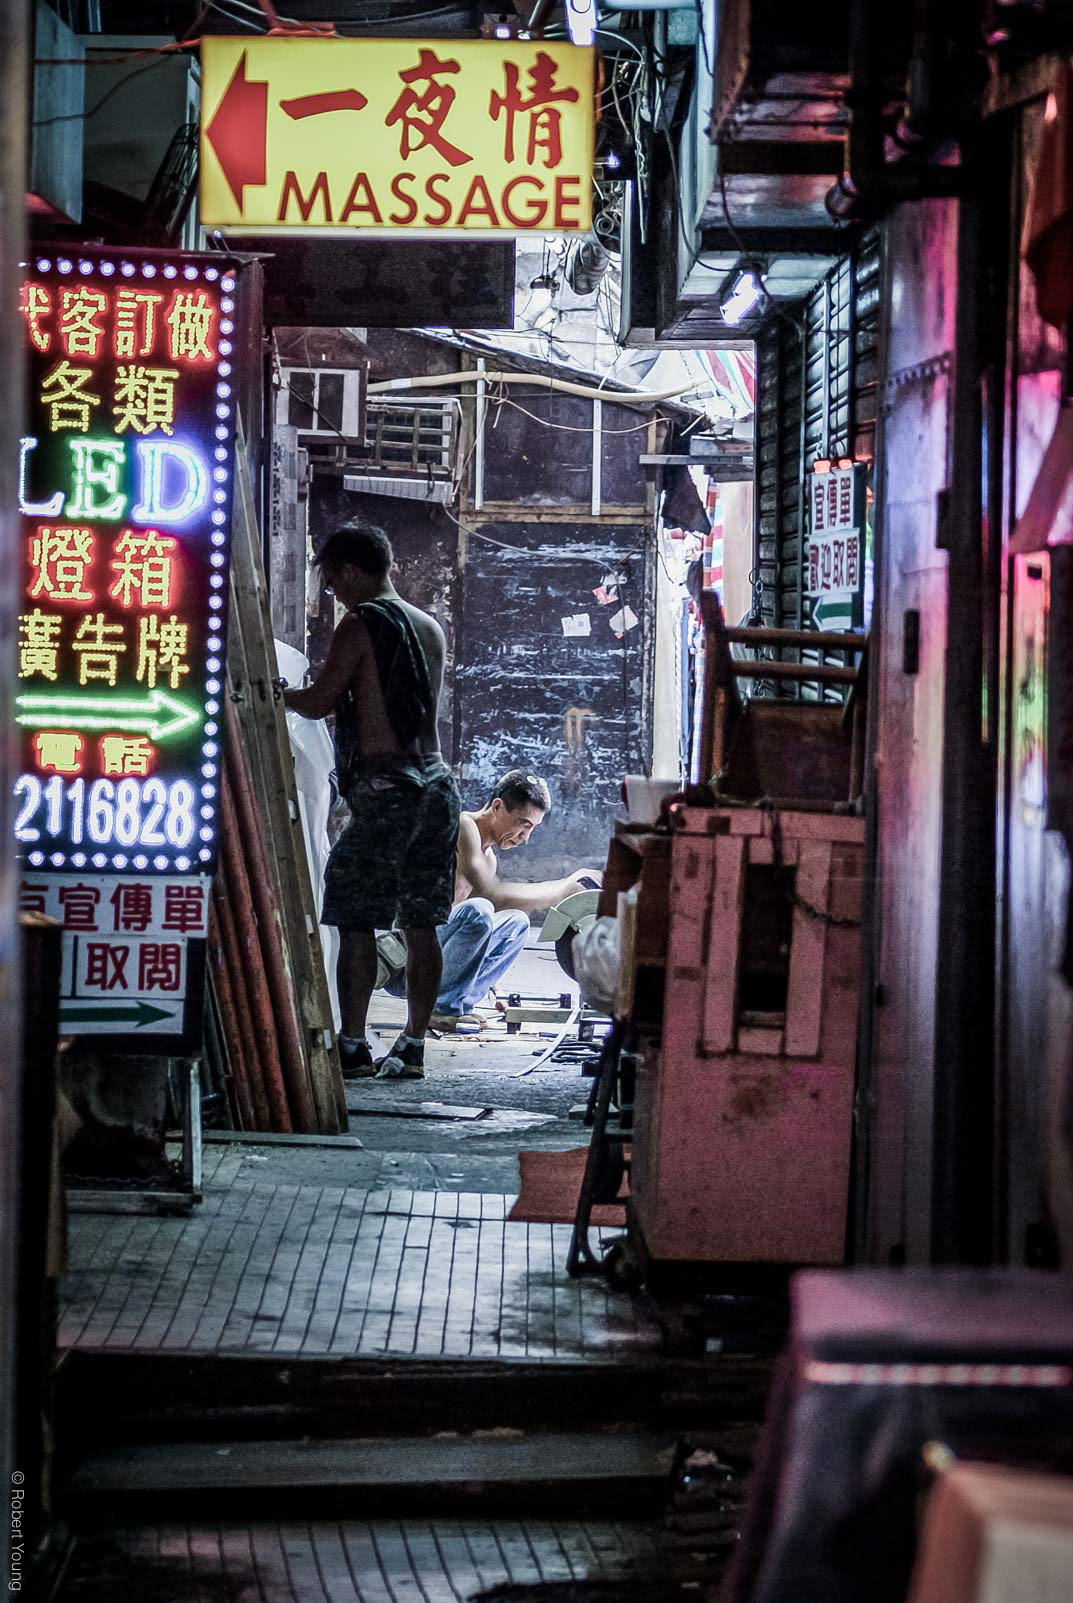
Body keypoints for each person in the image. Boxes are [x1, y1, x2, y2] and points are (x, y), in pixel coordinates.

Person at [283, 524, 458, 1081]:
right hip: (436, 787)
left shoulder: (361, 623)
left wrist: (267, 688)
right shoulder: (429, 626)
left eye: (333, 582)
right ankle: (412, 1046)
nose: (334, 593)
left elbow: (317, 702)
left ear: (351, 572)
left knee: (354, 914)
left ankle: (354, 1044)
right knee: (422, 920)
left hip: (389, 792)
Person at [383, 770, 594, 1031]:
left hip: (438, 955)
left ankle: (460, 1005)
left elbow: (475, 931)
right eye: (523, 824)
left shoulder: (489, 858)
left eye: (532, 829)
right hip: (406, 959)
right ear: (497, 807)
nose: (525, 838)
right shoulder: (464, 826)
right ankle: (439, 1008)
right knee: (479, 909)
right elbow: (488, 895)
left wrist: (493, 985)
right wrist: (561, 888)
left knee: (516, 922)